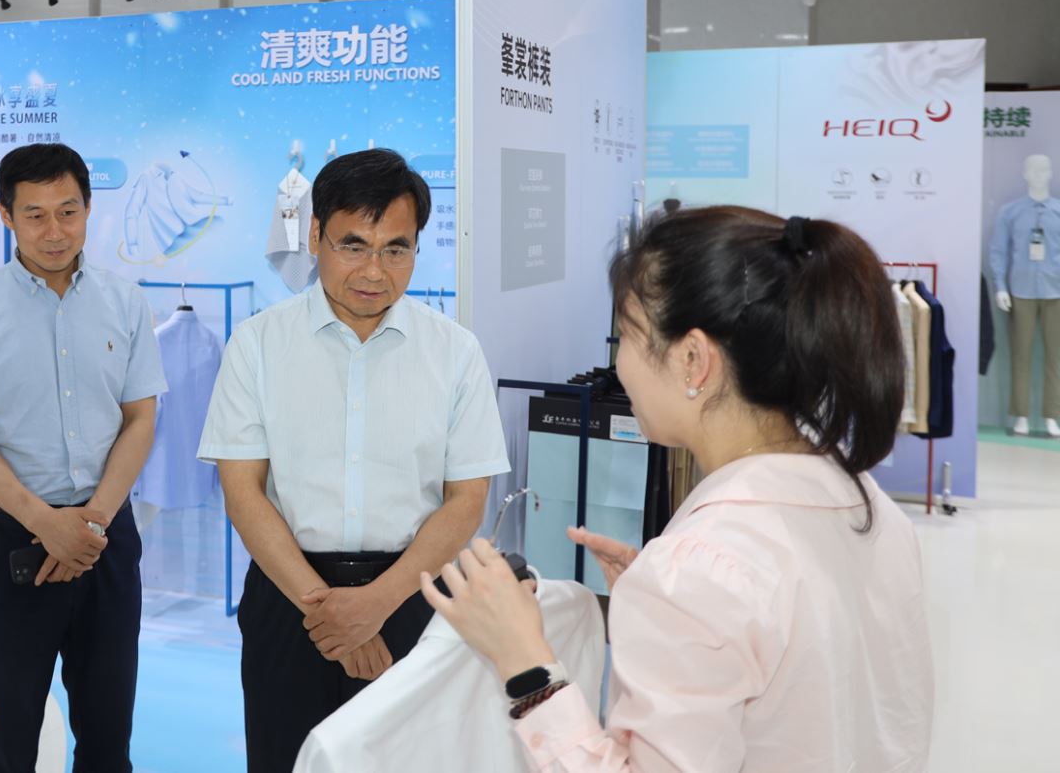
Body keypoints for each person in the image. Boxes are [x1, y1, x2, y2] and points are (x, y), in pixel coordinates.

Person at [422, 207, 933, 772]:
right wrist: (663, 606)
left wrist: (525, 664)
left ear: (693, 359)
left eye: (627, 336)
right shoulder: (869, 507)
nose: (619, 364)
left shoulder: (695, 573)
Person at [197, 148, 510, 773]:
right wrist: (329, 612)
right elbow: (243, 493)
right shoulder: (257, 345)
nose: (374, 270)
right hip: (290, 599)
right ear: (315, 235)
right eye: (353, 245)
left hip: (415, 598)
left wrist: (376, 605)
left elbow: (467, 500)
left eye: (396, 249)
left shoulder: (455, 352)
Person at [0, 142, 166, 773]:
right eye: (35, 215)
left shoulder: (125, 301)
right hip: (12, 538)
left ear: (89, 208)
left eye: (68, 211)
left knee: (108, 736)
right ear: (5, 215)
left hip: (105, 538)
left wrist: (89, 524)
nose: (55, 231)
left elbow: (140, 418)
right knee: (4, 741)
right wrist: (46, 523)